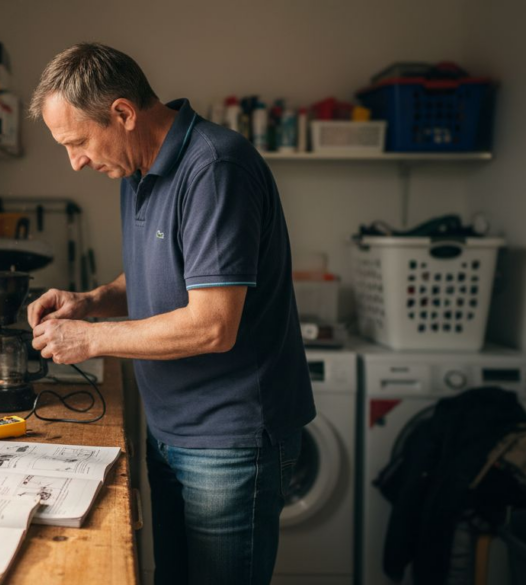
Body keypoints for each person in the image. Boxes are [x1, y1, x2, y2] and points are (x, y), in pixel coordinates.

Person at [26, 43, 316, 585]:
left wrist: (90, 338)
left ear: (122, 113)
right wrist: (92, 301)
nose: (76, 162)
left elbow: (212, 325)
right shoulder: (136, 169)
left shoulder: (215, 168)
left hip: (228, 442)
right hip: (170, 429)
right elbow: (163, 274)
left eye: (78, 142)